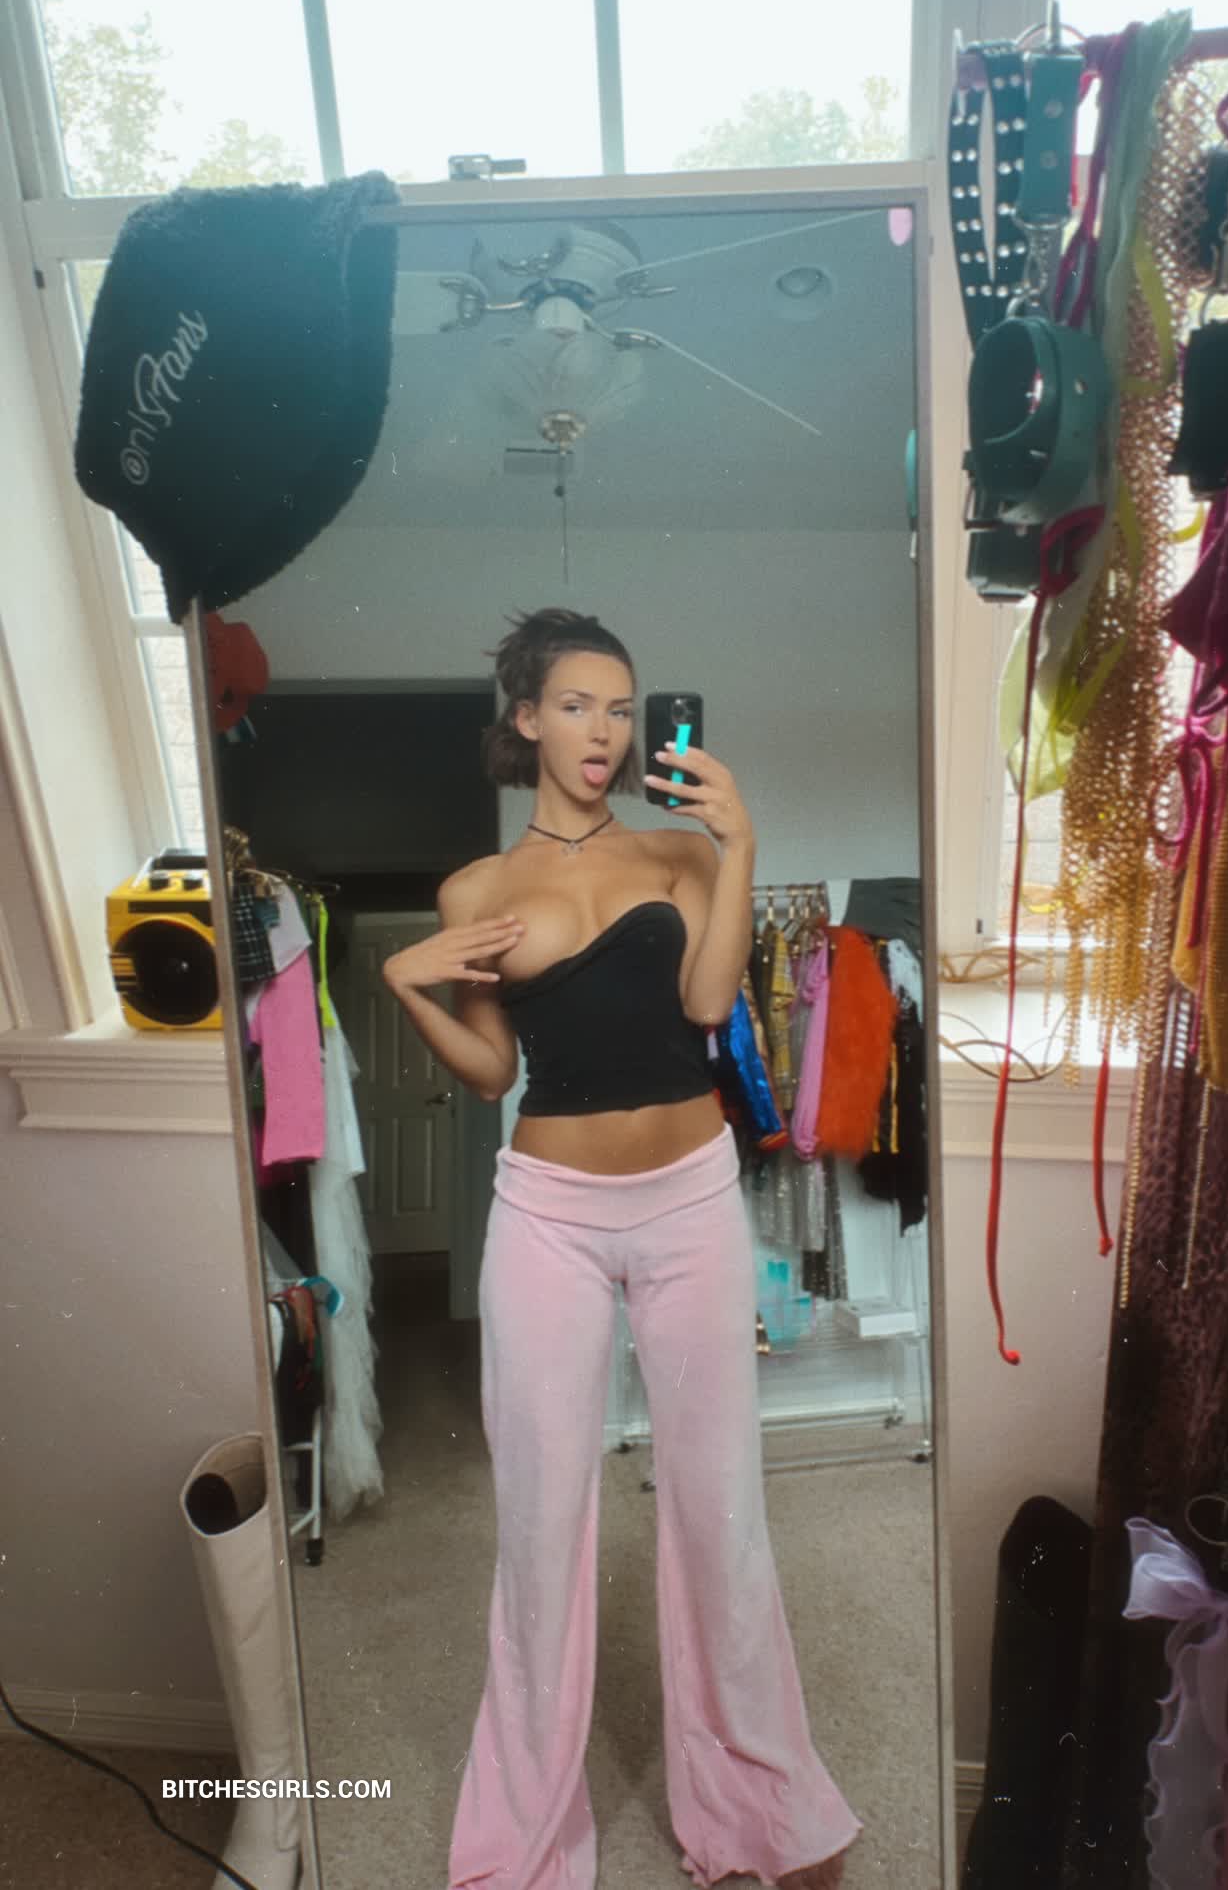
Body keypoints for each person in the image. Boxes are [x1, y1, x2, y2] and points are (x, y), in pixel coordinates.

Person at [381, 609, 863, 1890]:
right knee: (542, 1519)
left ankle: (758, 1801)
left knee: (719, 1505)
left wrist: (740, 842)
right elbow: (493, 1070)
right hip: (546, 1214)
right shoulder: (477, 893)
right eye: (576, 705)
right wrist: (407, 982)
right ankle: (527, 1833)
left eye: (620, 708)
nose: (603, 731)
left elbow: (706, 1002)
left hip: (691, 1200)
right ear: (525, 718)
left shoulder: (678, 850)